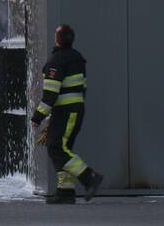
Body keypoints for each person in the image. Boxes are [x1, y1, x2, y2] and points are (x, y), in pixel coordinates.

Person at [31, 24, 103, 204]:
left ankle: (89, 177)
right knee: (64, 149)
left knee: (55, 147)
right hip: (75, 110)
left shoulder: (56, 61)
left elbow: (51, 93)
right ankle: (65, 191)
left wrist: (38, 117)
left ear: (57, 39)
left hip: (64, 111)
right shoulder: (78, 58)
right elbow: (83, 87)